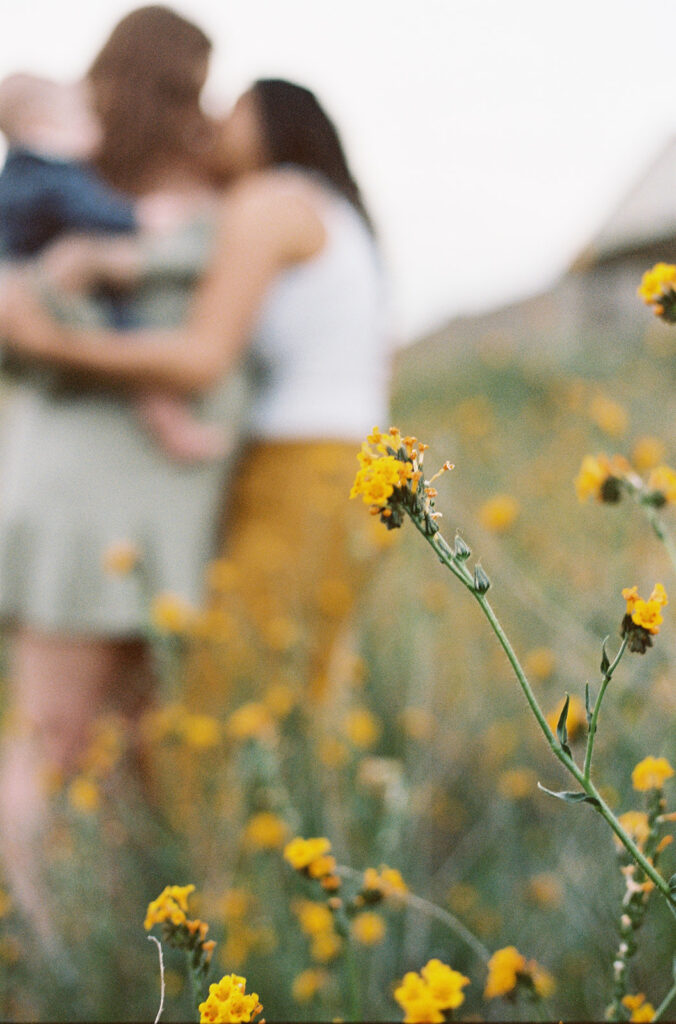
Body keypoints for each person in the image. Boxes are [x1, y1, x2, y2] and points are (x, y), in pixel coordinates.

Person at [0, 78, 392, 712]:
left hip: (305, 465)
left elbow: (201, 359)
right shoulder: (332, 208)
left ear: (272, 123)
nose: (211, 120)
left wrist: (48, 343)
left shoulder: (269, 201)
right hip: (346, 464)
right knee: (297, 688)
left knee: (227, 699)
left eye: (233, 110)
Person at [0, 5, 249, 952]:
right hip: (80, 495)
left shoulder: (215, 182)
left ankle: (113, 944)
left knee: (137, 747)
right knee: (55, 736)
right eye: (194, 83)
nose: (209, 104)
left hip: (167, 501)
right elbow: (21, 330)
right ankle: (45, 954)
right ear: (160, 83)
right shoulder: (63, 184)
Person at [0, 70, 229, 462]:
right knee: (133, 344)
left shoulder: (16, 175)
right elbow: (98, 213)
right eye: (82, 119)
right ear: (41, 128)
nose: (95, 129)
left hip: (27, 291)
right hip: (61, 295)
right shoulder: (56, 176)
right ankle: (172, 425)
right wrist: (147, 217)